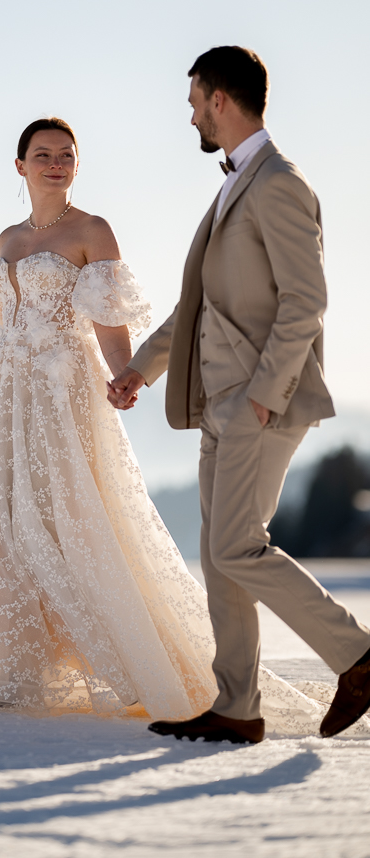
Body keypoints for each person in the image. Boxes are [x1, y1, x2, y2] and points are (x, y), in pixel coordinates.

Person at [0, 115, 349, 738]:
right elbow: (1, 326)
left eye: (66, 154)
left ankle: (141, 664)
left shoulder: (91, 230)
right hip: (6, 395)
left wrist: (126, 375)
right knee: (12, 522)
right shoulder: (7, 239)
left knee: (63, 521)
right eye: (42, 155)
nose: (55, 163)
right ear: (19, 167)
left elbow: (109, 319)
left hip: (63, 394)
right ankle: (26, 665)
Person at [108, 46, 370, 743]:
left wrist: (264, 393)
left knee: (237, 549)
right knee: (218, 553)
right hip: (219, 403)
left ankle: (357, 654)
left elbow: (306, 301)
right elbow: (196, 307)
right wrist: (141, 366)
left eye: (194, 99)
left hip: (259, 401)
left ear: (219, 99)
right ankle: (236, 706)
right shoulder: (233, 184)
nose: (190, 113)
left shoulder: (280, 182)